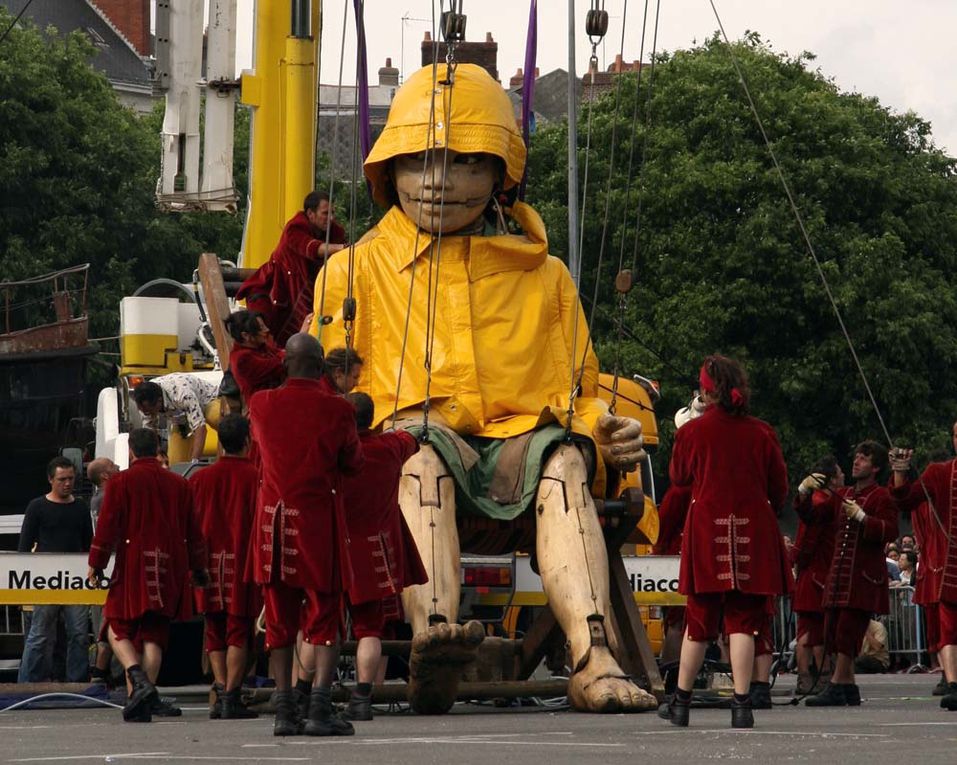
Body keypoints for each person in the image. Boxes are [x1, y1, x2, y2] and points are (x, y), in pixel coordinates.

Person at [311, 62, 654, 716]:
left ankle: (592, 657)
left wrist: (606, 428)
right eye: (420, 162)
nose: (440, 182)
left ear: (500, 174)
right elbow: (326, 393)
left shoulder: (545, 276)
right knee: (415, 456)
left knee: (562, 459)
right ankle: (432, 637)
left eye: (467, 163)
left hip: (517, 451)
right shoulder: (352, 274)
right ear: (388, 172)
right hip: (416, 453)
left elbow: (579, 392)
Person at [658, 355, 792, 729]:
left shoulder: (693, 433)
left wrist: (687, 427)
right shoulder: (762, 432)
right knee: (743, 622)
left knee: (698, 622)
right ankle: (741, 704)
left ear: (704, 390)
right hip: (752, 530)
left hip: (707, 532)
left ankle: (681, 702)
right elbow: (778, 488)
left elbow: (679, 476)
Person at [247, 333, 364, 737]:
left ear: (286, 364)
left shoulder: (260, 404)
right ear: (321, 367)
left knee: (279, 619)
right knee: (324, 617)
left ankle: (283, 709)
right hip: (316, 524)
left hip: (272, 525)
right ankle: (318, 705)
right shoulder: (338, 410)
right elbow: (352, 463)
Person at [87, 428, 208, 723]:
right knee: (154, 633)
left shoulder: (120, 482)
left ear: (130, 451)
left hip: (134, 562)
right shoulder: (179, 484)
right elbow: (194, 531)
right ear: (157, 448)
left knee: (116, 625)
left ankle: (137, 679)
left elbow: (107, 527)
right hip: (171, 564)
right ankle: (141, 700)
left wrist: (96, 561)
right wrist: (198, 568)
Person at [339, 392, 427, 720]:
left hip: (334, 549)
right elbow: (413, 436)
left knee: (319, 627)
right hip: (374, 553)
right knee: (369, 629)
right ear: (372, 419)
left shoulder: (333, 452)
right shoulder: (389, 448)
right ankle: (363, 697)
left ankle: (311, 694)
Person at [800, 440, 898, 707]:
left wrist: (863, 518)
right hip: (840, 575)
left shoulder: (882, 496)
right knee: (833, 630)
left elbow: (890, 530)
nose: (856, 462)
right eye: (856, 457)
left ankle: (835, 685)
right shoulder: (843, 493)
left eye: (864, 458)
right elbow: (813, 516)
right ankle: (848, 686)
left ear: (876, 467)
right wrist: (804, 492)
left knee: (847, 632)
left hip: (863, 577)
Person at [189, 413, 261, 720]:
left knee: (214, 630)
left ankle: (220, 688)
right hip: (242, 563)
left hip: (206, 564)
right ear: (247, 442)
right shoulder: (257, 477)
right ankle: (232, 694)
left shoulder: (199, 479)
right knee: (239, 632)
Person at [890, 423, 957, 710]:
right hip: (948, 569)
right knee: (948, 628)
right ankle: (953, 683)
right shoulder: (940, 473)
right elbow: (906, 497)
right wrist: (900, 472)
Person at [17, 456, 93, 683]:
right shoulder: (37, 506)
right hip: (46, 577)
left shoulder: (80, 507)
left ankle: (77, 682)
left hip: (75, 578)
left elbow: (88, 542)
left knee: (79, 634)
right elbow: (24, 545)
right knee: (39, 634)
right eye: (62, 479)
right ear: (51, 480)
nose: (67, 483)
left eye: (70, 478)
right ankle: (27, 682)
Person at [237, 191, 347, 347]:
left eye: (332, 212)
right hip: (275, 292)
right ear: (310, 213)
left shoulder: (335, 232)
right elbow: (312, 248)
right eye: (325, 213)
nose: (331, 218)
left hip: (303, 297)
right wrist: (345, 248)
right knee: (264, 334)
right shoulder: (294, 229)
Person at [791, 455, 842, 695]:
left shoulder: (819, 499)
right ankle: (817, 678)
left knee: (809, 631)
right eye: (839, 474)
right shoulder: (823, 501)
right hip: (817, 574)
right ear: (831, 479)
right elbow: (808, 540)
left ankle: (807, 678)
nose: (843, 477)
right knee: (815, 633)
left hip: (812, 573)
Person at [133, 373, 220, 464]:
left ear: (159, 402)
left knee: (214, 416)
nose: (147, 414)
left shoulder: (182, 394)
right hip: (181, 419)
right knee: (175, 464)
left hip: (208, 401)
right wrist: (156, 456)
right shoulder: (144, 402)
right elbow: (150, 434)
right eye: (143, 411)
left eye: (149, 411)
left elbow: (200, 429)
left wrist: (194, 462)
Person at [87, 458, 119, 686]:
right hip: (115, 564)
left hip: (106, 564)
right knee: (111, 618)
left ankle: (101, 672)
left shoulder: (96, 499)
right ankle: (101, 671)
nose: (118, 468)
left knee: (109, 619)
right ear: (106, 476)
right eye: (113, 467)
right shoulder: (108, 498)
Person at [224, 309, 286, 409]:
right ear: (245, 335)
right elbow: (278, 363)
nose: (267, 330)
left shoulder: (260, 346)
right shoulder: (241, 359)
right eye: (261, 328)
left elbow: (281, 353)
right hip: (264, 410)